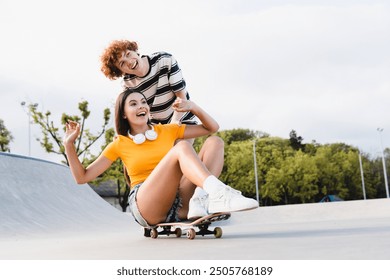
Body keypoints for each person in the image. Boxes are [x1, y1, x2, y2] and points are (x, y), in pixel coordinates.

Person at [64, 89, 258, 227]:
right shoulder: (119, 144)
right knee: (182, 147)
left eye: (143, 102)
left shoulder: (167, 130)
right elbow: (82, 177)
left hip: (179, 201)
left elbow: (211, 128)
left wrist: (193, 107)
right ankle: (219, 193)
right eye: (133, 104)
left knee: (215, 142)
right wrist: (69, 145)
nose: (141, 106)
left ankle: (201, 199)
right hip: (147, 205)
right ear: (123, 114)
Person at [100, 39, 224, 218]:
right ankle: (181, 205)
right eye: (122, 64)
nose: (129, 62)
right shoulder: (129, 83)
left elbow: (180, 98)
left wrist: (173, 128)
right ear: (121, 71)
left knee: (185, 157)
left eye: (128, 55)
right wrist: (123, 137)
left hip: (181, 117)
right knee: (170, 169)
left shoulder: (164, 60)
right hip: (157, 130)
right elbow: (131, 111)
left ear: (134, 51)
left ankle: (198, 198)